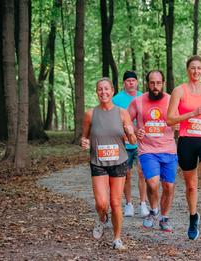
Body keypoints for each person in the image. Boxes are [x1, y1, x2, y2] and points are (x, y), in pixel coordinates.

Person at [167, 55, 201, 244]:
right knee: (191, 186)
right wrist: (191, 113)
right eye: (192, 68)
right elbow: (170, 119)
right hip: (187, 141)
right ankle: (193, 217)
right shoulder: (179, 91)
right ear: (187, 70)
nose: (196, 71)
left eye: (199, 68)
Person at [81, 77, 136, 250]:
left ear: (112, 91)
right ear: (96, 92)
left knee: (115, 203)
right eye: (100, 89)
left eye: (107, 89)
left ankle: (117, 238)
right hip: (98, 162)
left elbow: (132, 140)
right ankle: (102, 218)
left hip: (119, 162)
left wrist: (130, 132)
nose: (103, 92)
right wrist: (84, 142)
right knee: (101, 204)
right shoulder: (91, 114)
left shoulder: (122, 113)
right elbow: (84, 136)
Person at [128, 70, 177, 232]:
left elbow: (182, 118)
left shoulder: (172, 100)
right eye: (152, 83)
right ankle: (154, 209)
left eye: (158, 83)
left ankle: (164, 217)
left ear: (163, 83)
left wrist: (178, 124)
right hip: (147, 150)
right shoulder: (138, 101)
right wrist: (135, 130)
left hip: (169, 149)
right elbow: (126, 120)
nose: (155, 86)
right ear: (147, 84)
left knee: (169, 187)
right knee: (153, 183)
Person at [112, 71, 149, 218]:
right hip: (124, 143)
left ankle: (143, 204)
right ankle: (128, 204)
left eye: (133, 80)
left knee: (142, 173)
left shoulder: (143, 97)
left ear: (137, 82)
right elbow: (113, 120)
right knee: (126, 174)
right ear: (124, 83)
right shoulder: (116, 99)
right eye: (128, 81)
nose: (131, 83)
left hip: (142, 142)